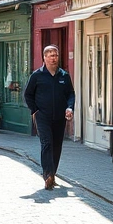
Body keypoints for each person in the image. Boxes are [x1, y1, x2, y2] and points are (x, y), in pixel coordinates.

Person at [23, 45, 75, 190]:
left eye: (56, 55)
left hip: (59, 117)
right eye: (51, 55)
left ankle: (53, 173)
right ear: (44, 58)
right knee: (47, 143)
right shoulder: (37, 75)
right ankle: (48, 175)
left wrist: (70, 107)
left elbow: (71, 94)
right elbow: (28, 94)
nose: (54, 58)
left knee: (57, 145)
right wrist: (35, 110)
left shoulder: (64, 75)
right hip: (42, 116)